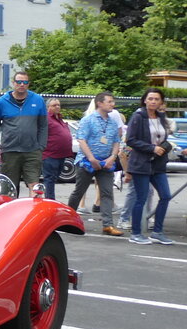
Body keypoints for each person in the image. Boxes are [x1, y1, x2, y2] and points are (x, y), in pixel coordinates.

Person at [67, 92, 124, 237]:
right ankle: (67, 220)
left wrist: (112, 157)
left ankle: (108, 225)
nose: (113, 104)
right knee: (79, 191)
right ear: (99, 103)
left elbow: (117, 141)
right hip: (87, 162)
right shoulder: (88, 120)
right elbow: (81, 140)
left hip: (106, 163)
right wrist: (92, 158)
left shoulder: (112, 122)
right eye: (109, 101)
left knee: (107, 193)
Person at [126, 87, 176, 245]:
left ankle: (157, 232)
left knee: (166, 195)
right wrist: (152, 148)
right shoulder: (138, 116)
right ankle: (135, 233)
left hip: (158, 163)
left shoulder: (161, 116)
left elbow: (162, 136)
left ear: (161, 102)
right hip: (141, 163)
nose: (153, 101)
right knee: (141, 198)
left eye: (156, 99)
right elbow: (130, 140)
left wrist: (163, 146)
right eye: (151, 99)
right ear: (145, 100)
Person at [0, 71, 48, 196]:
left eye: (25, 82)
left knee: (35, 186)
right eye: (19, 82)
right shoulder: (2, 102)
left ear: (28, 84)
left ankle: (33, 212)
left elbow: (43, 125)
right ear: (13, 83)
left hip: (32, 150)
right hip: (10, 150)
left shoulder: (37, 100)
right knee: (10, 186)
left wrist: (41, 145)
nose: (22, 84)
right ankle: (13, 213)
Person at [41, 98, 74, 200]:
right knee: (49, 179)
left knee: (54, 178)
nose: (57, 107)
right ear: (48, 107)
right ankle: (50, 201)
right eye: (54, 105)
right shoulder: (45, 118)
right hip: (50, 155)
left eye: (58, 105)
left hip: (61, 155)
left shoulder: (59, 118)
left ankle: (50, 200)